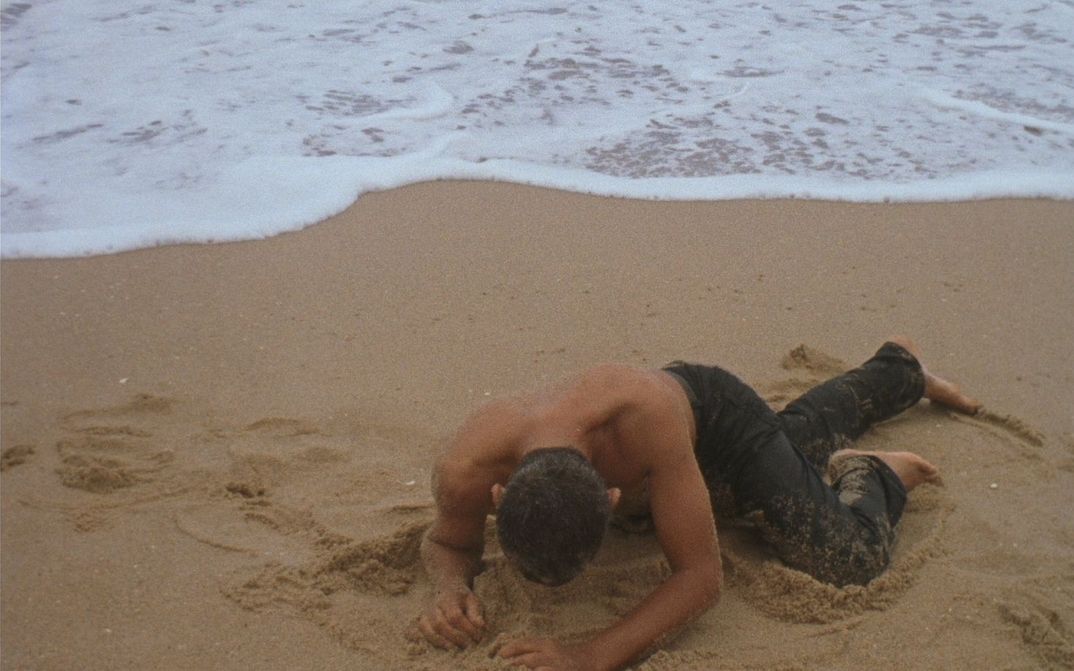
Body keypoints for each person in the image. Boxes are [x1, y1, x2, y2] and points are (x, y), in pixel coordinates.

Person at [416, 337, 980, 671]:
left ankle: (877, 471)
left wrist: (588, 657)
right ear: (499, 493)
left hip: (716, 424)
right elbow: (446, 541)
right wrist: (449, 588)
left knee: (847, 559)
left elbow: (701, 578)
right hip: (666, 465)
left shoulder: (641, 420)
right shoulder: (465, 468)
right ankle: (900, 369)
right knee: (792, 452)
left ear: (612, 500)